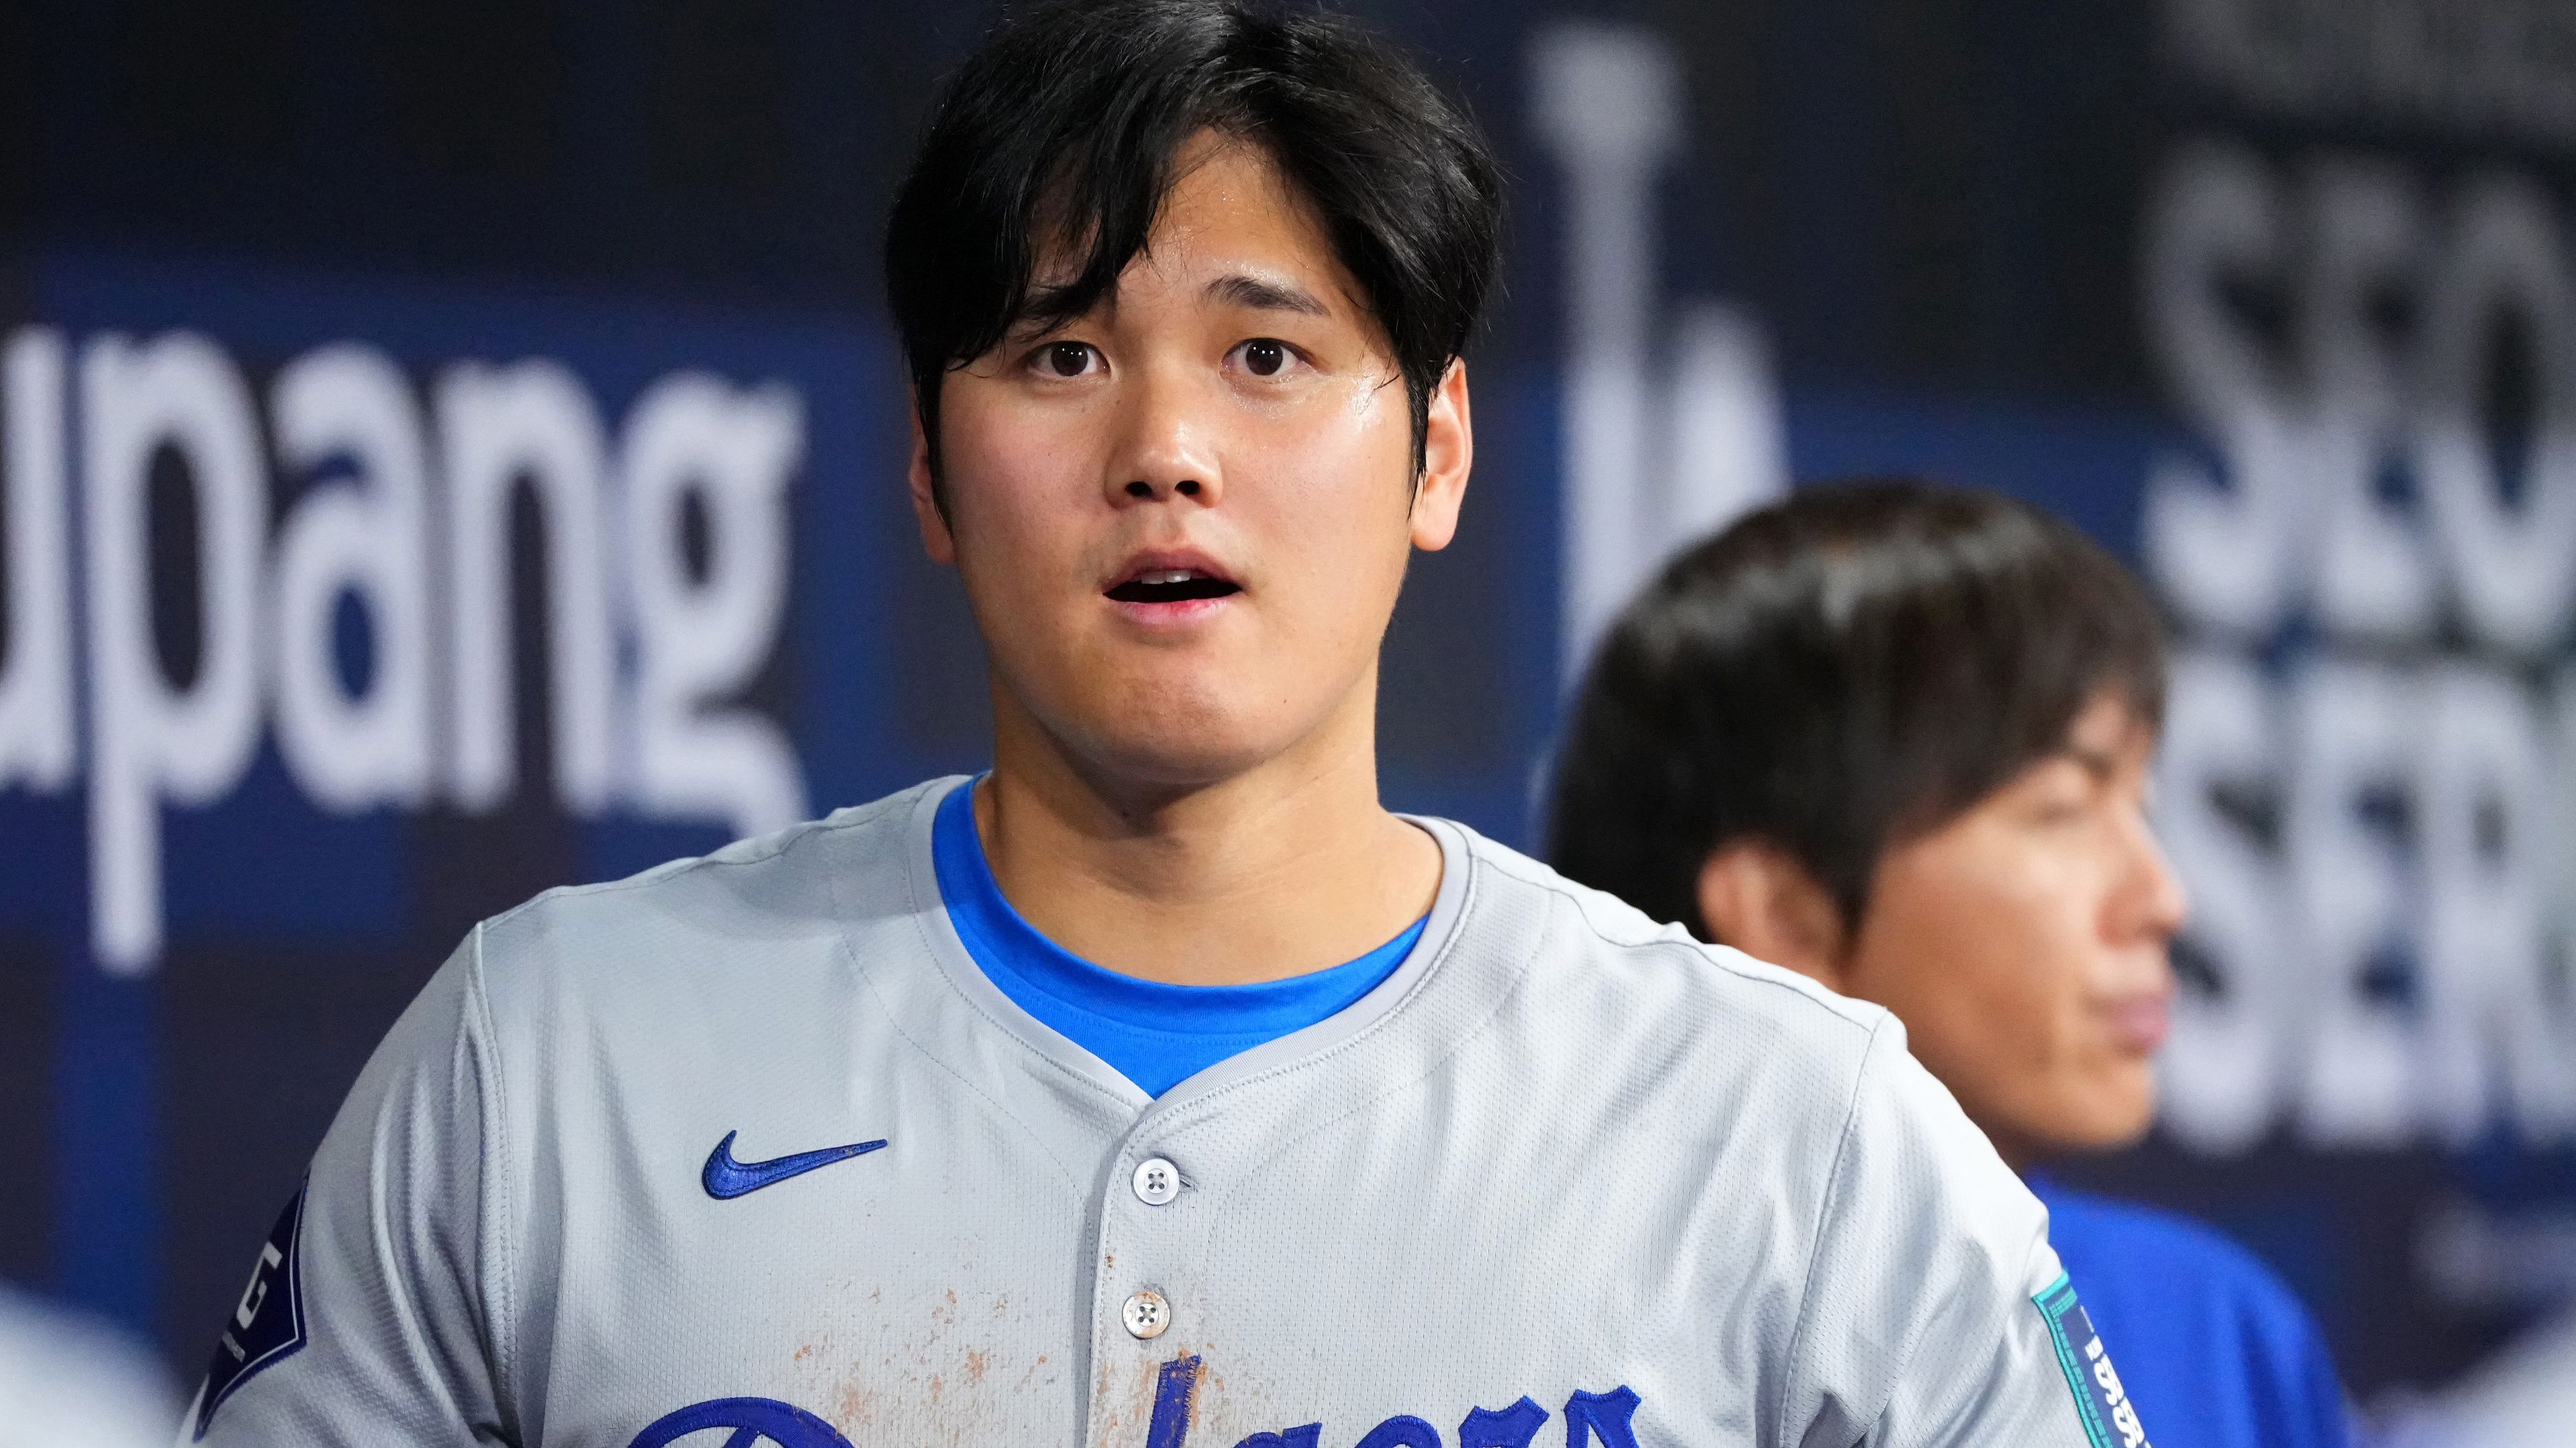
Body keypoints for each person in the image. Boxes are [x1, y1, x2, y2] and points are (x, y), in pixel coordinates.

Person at [187, 8, 2129, 1445]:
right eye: (1062, 357)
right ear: (934, 472)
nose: (1165, 454)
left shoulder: (1797, 1135)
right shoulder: (545, 1066)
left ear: (1437, 449)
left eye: (1269, 357)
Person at [1550, 479, 2356, 1448]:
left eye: (2137, 804)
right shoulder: (1555, 1355)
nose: (2164, 898)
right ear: (1788, 919)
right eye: (2060, 811)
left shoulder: (2215, 1333)